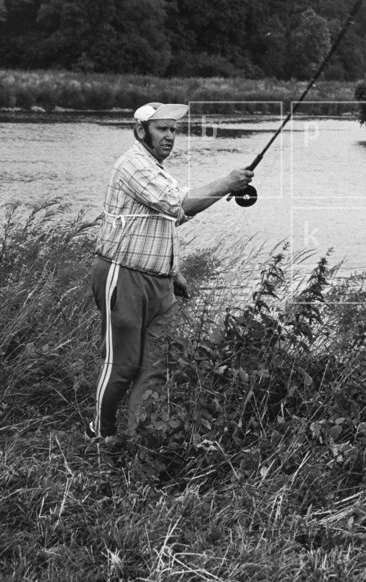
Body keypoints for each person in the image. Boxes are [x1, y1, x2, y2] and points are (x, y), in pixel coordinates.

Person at [87, 101, 253, 442]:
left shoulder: (156, 168)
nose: (170, 136)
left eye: (174, 130)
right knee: (122, 365)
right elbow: (176, 203)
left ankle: (138, 440)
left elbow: (175, 215)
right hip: (123, 275)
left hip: (159, 282)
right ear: (140, 131)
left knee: (155, 367)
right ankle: (99, 434)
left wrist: (172, 270)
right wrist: (227, 182)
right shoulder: (133, 165)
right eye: (162, 129)